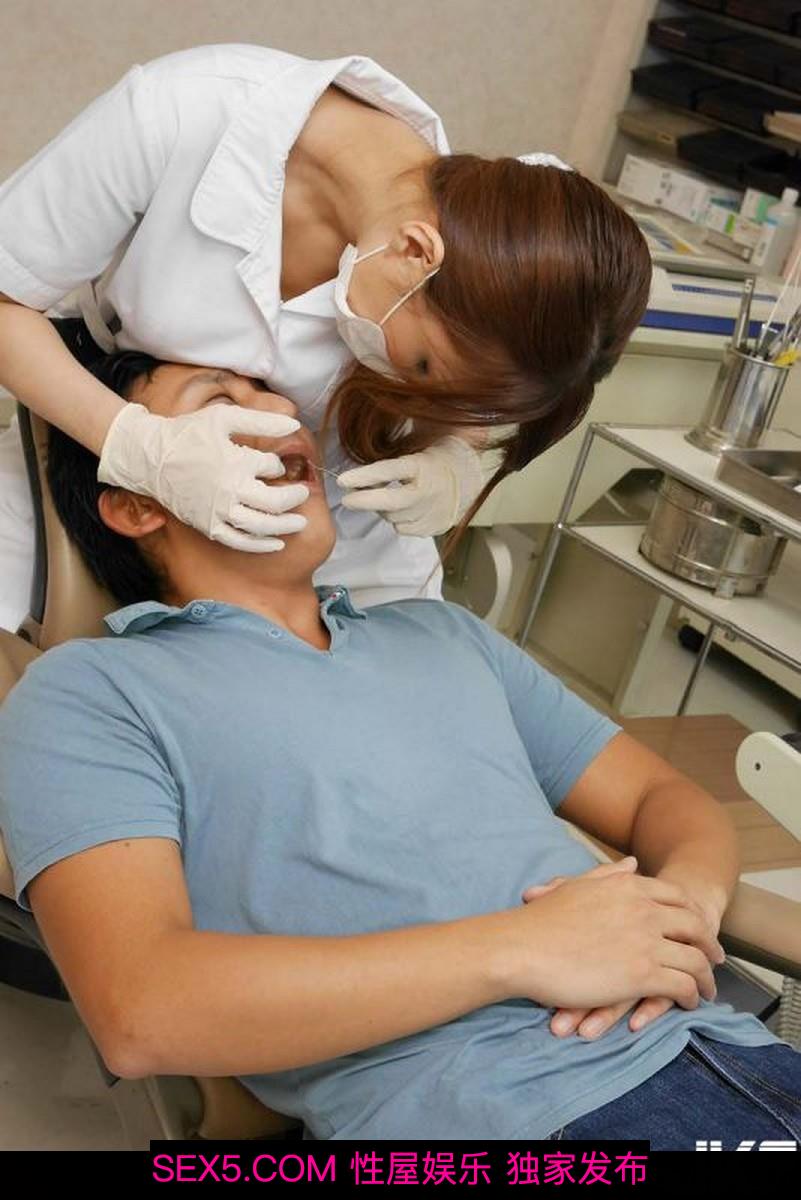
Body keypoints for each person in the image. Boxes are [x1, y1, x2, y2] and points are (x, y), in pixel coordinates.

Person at [1, 353, 798, 1151]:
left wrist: (680, 911)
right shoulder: (92, 690)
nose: (280, 415)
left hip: (741, 1055)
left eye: (272, 393)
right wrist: (524, 948)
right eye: (219, 401)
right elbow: (141, 1013)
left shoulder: (440, 635)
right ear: (136, 504)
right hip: (522, 1118)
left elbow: (664, 801)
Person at [0, 42, 652, 628]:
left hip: (345, 520)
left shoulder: (516, 259)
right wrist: (138, 446)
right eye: (422, 368)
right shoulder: (183, 113)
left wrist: (457, 452)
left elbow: (483, 383)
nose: (281, 412)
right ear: (414, 252)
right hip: (116, 456)